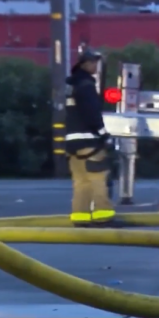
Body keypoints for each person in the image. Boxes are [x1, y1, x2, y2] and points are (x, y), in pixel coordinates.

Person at [64, 49, 116, 226]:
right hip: (89, 142)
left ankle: (80, 218)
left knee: (81, 182)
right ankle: (103, 217)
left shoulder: (71, 86)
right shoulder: (86, 85)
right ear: (85, 64)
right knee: (98, 178)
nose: (95, 66)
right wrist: (104, 134)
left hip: (72, 144)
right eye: (93, 63)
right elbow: (92, 113)